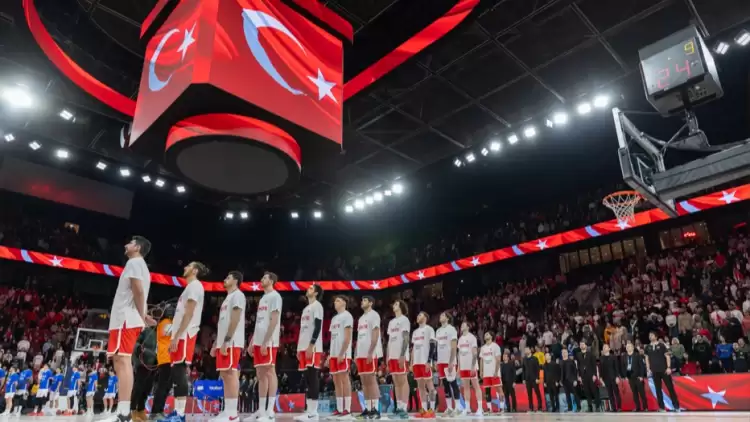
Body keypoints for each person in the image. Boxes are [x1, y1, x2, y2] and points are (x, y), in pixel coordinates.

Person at [104, 236, 154, 422]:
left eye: (130, 243)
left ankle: (124, 413)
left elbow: (138, 290)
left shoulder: (134, 263)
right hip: (126, 318)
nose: (126, 245)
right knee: (119, 360)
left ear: (137, 247)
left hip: (125, 318)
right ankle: (123, 411)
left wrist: (142, 314)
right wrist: (144, 315)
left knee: (123, 361)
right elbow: (139, 293)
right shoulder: (140, 265)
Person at [158, 261, 207, 422]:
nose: (185, 267)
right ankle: (177, 412)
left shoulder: (195, 286)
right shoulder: (188, 288)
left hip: (185, 334)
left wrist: (178, 336)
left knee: (179, 371)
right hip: (179, 334)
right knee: (176, 371)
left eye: (188, 266)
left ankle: (180, 414)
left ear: (195, 270)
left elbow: (189, 314)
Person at [245, 272, 282, 422]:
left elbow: (274, 320)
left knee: (270, 371)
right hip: (258, 341)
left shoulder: (275, 296)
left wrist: (266, 341)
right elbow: (259, 322)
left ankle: (270, 411)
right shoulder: (262, 299)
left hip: (269, 340)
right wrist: (252, 342)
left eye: (265, 278)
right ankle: (261, 410)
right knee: (260, 374)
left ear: (271, 281)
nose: (261, 279)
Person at [211, 271, 246, 422]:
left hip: (231, 342)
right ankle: (227, 411)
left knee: (231, 373)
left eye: (228, 277)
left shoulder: (238, 295)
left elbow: (235, 319)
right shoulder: (227, 298)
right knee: (224, 375)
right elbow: (222, 324)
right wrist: (216, 344)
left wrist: (226, 340)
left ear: (236, 280)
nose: (225, 279)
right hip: (222, 342)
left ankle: (232, 414)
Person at [295, 284, 324, 422]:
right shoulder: (306, 308)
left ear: (316, 293)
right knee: (306, 379)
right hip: (303, 347)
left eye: (311, 288)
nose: (308, 289)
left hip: (312, 347)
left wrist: (311, 345)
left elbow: (318, 327)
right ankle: (309, 411)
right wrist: (299, 348)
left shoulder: (317, 306)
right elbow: (303, 330)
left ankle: (314, 412)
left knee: (313, 377)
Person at [354, 296, 383, 419]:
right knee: (364, 382)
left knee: (371, 380)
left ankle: (375, 409)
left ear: (371, 303)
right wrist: (356, 354)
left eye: (365, 300)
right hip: (360, 353)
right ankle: (367, 408)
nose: (362, 302)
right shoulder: (361, 319)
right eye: (362, 300)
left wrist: (371, 352)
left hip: (370, 352)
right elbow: (359, 337)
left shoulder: (374, 315)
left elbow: (375, 335)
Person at [328, 296, 353, 419]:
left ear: (344, 302)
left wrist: (342, 353)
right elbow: (333, 338)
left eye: (338, 300)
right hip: (334, 353)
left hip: (343, 353)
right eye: (335, 301)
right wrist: (330, 354)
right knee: (336, 380)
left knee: (344, 379)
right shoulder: (334, 319)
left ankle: (347, 409)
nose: (335, 302)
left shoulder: (347, 316)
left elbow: (348, 337)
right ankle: (339, 408)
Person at [386, 300, 410, 419]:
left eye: (396, 304)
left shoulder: (404, 320)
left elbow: (406, 338)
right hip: (392, 355)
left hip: (401, 355)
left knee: (403, 380)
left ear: (401, 306)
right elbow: (390, 340)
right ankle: (399, 406)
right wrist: (387, 356)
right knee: (396, 381)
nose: (393, 306)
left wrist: (402, 354)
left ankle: (404, 407)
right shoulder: (391, 322)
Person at [645, 332, 680, 412]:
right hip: (654, 371)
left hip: (664, 370)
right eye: (649, 335)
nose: (650, 336)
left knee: (670, 388)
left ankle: (676, 406)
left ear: (656, 336)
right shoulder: (647, 347)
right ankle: (661, 407)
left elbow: (667, 356)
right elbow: (647, 359)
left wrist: (668, 367)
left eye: (652, 335)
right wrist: (648, 369)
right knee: (658, 390)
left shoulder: (661, 345)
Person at [150, 305, 174, 420]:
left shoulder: (164, 322)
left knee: (166, 386)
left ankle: (159, 410)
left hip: (167, 359)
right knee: (162, 386)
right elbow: (174, 332)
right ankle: (155, 411)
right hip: (166, 359)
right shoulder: (166, 323)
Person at [411, 311, 436, 418]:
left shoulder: (429, 329)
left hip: (425, 361)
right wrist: (411, 362)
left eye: (420, 315)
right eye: (417, 315)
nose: (418, 316)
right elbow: (413, 348)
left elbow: (433, 346)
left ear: (425, 317)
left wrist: (429, 361)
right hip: (416, 362)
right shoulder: (415, 332)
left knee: (430, 385)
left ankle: (432, 410)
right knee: (420, 387)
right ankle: (424, 410)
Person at [435, 313, 461, 417]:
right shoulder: (438, 331)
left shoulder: (452, 329)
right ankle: (449, 408)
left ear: (447, 318)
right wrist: (436, 361)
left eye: (442, 315)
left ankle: (458, 407)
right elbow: (437, 347)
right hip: (440, 361)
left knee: (453, 383)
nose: (440, 317)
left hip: (449, 360)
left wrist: (451, 362)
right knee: (445, 384)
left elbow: (454, 347)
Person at [131, 323, 158, 422]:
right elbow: (135, 341)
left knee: (147, 388)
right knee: (138, 387)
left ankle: (141, 410)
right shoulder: (147, 331)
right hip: (143, 362)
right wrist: (138, 347)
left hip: (155, 364)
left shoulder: (162, 333)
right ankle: (132, 410)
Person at [457, 321, 482, 417]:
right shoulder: (460, 339)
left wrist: (473, 366)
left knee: (476, 386)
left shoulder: (472, 338)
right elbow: (459, 354)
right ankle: (467, 409)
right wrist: (458, 367)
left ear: (468, 327)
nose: (461, 326)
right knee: (466, 387)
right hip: (463, 366)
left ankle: (480, 408)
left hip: (471, 366)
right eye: (461, 325)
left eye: (463, 325)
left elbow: (475, 353)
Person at [479, 332, 502, 414]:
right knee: (487, 391)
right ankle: (489, 409)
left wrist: (496, 371)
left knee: (499, 390)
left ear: (492, 336)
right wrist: (481, 371)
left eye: (487, 334)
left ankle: (501, 408)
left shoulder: (496, 346)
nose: (485, 335)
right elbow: (481, 360)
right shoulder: (483, 348)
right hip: (486, 373)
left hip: (494, 372)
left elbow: (498, 359)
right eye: (485, 334)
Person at [621, 342, 647, 412]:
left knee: (642, 393)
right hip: (630, 377)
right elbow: (623, 367)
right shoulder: (624, 356)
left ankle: (645, 407)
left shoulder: (637, 355)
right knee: (634, 394)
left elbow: (642, 366)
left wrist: (641, 376)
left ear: (632, 347)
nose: (628, 348)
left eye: (629, 346)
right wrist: (625, 376)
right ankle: (637, 407)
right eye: (627, 347)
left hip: (638, 377)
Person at [576, 341, 600, 412]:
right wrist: (579, 376)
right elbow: (578, 366)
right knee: (587, 392)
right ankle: (590, 406)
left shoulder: (591, 354)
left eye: (583, 344)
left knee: (594, 390)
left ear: (586, 346)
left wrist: (594, 375)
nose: (581, 345)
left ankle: (597, 406)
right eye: (580, 344)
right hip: (583, 376)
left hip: (591, 375)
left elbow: (594, 365)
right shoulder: (578, 355)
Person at [599, 344, 621, 412]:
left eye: (606, 347)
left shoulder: (613, 357)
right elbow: (600, 369)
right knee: (610, 394)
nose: (604, 348)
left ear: (609, 349)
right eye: (603, 347)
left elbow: (616, 367)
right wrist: (601, 378)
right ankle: (613, 408)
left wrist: (617, 377)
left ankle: (619, 407)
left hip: (613, 377)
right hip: (606, 378)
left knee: (616, 393)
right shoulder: (601, 358)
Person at [522, 347, 542, 412]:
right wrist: (523, 379)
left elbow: (538, 369)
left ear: (530, 350)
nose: (526, 351)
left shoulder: (535, 358)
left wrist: (538, 378)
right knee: (529, 394)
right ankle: (531, 408)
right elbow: (523, 370)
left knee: (537, 393)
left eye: (527, 349)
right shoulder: (524, 359)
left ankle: (540, 407)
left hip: (534, 379)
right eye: (525, 350)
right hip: (527, 379)